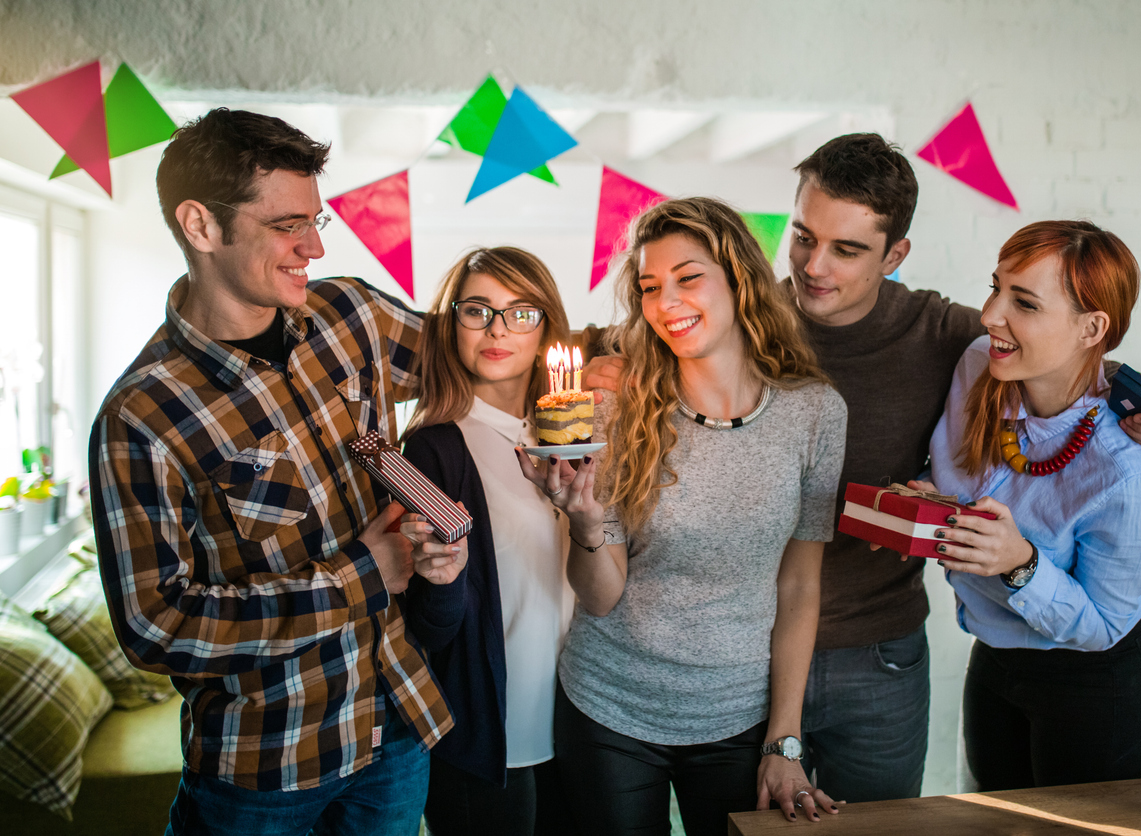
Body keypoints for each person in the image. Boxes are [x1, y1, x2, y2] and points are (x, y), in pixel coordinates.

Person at [583, 133, 1141, 802]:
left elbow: (1059, 357)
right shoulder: (734, 317)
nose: (814, 265)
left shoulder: (949, 338)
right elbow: (622, 335)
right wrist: (598, 365)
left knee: (885, 823)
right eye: (805, 237)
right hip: (747, 653)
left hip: (882, 654)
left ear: (895, 254)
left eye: (846, 249)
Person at [88, 108, 465, 836]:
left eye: (316, 221)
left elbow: (484, 352)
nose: (314, 246)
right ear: (201, 226)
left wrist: (619, 351)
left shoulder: (350, 313)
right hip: (266, 769)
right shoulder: (142, 417)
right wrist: (362, 574)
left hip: (397, 724)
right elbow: (157, 627)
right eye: (288, 226)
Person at [520, 197, 847, 835]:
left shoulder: (816, 414)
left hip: (737, 718)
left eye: (688, 277)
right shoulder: (614, 407)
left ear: (739, 280)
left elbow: (800, 584)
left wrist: (785, 740)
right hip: (608, 709)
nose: (666, 301)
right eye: (649, 286)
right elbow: (601, 597)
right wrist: (583, 523)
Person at [922, 220, 1141, 788]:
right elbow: (959, 476)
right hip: (994, 652)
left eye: (1025, 302)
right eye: (996, 287)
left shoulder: (1131, 480)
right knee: (995, 820)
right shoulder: (977, 367)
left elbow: (1105, 624)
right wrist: (926, 498)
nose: (990, 314)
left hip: (1093, 679)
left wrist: (1022, 563)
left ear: (1092, 327)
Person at [400, 247, 574, 836]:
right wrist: (442, 581)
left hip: (582, 721)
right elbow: (424, 630)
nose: (498, 329)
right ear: (451, 324)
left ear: (547, 326)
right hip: (491, 731)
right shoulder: (432, 448)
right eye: (478, 310)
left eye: (520, 312)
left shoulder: (575, 435)